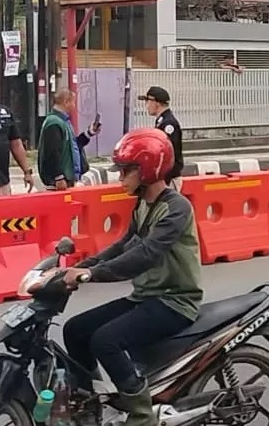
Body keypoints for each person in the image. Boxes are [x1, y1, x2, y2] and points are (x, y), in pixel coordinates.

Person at [61, 127, 202, 426]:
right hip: (147, 297)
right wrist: (79, 267)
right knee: (75, 329)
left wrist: (92, 274)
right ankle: (90, 402)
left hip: (174, 302)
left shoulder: (176, 208)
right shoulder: (144, 204)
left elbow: (145, 255)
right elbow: (123, 245)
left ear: (147, 168)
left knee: (105, 340)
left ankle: (141, 415)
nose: (120, 177)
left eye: (126, 171)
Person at [38, 89, 102, 190]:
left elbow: (73, 146)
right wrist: (59, 177)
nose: (74, 105)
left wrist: (89, 133)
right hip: (60, 182)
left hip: (67, 179)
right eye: (73, 102)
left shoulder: (63, 122)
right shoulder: (54, 123)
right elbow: (52, 152)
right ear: (66, 102)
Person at [142, 86, 184, 184]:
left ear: (155, 102)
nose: (146, 106)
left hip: (168, 178)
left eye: (147, 101)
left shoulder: (168, 123)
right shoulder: (162, 121)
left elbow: (168, 152)